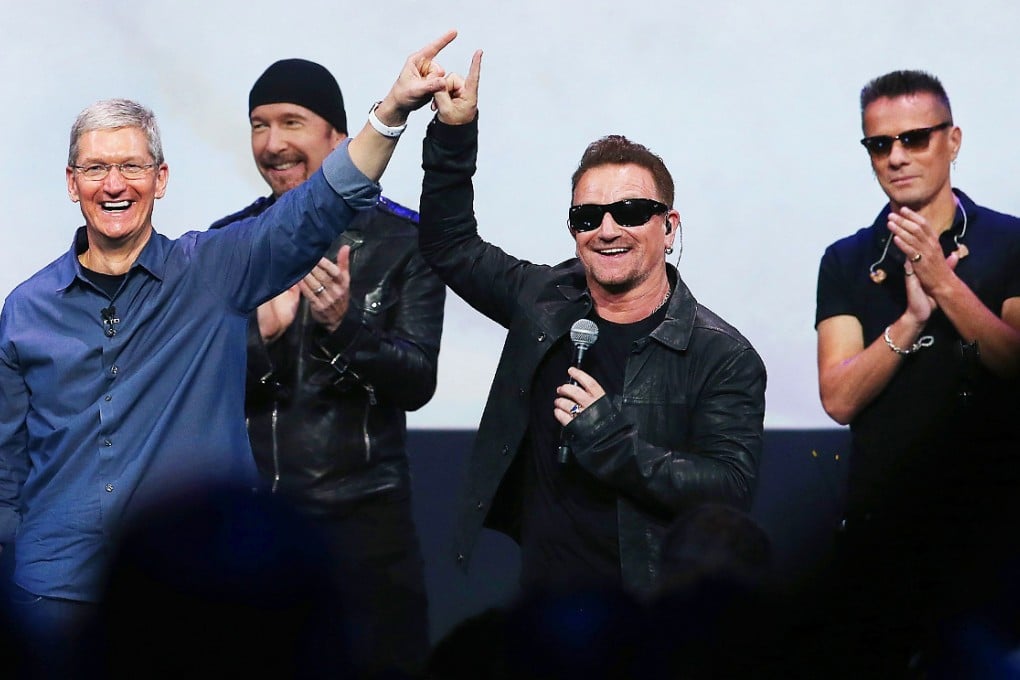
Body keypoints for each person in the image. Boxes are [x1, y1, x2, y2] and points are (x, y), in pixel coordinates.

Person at [0, 31, 459, 678]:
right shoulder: (25, 308)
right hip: (54, 592)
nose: (114, 184)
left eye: (132, 166)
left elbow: (325, 202)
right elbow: (6, 469)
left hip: (183, 596)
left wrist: (392, 111)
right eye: (96, 169)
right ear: (71, 183)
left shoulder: (213, 268)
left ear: (160, 180)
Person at [418, 52, 767, 600]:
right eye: (587, 217)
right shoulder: (543, 303)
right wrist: (454, 133)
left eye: (629, 211)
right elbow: (450, 244)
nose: (606, 230)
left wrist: (609, 439)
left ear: (669, 226)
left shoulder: (720, 354)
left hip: (652, 610)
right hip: (547, 605)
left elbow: (729, 489)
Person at [208, 57, 445, 678]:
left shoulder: (406, 242)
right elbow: (198, 388)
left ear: (338, 139)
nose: (273, 143)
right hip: (255, 527)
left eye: (292, 121)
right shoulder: (228, 242)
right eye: (259, 125)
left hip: (365, 526)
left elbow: (417, 380)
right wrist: (262, 330)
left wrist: (346, 326)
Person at [814, 69, 1020, 674]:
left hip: (994, 528)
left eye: (915, 139)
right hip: (884, 532)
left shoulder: (1011, 243)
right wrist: (909, 320)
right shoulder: (847, 259)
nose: (896, 157)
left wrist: (941, 282)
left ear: (952, 141)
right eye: (880, 144)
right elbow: (839, 397)